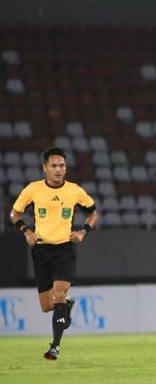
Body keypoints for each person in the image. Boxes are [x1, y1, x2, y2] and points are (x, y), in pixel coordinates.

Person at [8, 147, 100, 360]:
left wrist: (83, 231)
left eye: (62, 166)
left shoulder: (75, 191)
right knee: (47, 306)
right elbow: (14, 213)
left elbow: (93, 214)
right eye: (54, 166)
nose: (58, 169)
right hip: (41, 249)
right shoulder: (33, 189)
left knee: (59, 293)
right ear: (45, 168)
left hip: (64, 249)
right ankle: (66, 306)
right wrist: (26, 231)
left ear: (66, 168)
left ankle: (54, 347)